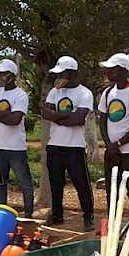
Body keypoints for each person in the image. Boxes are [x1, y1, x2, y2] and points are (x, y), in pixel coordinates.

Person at [41, 56, 95, 231]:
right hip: (55, 145)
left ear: (71, 74)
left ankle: (88, 217)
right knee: (56, 183)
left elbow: (79, 119)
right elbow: (45, 113)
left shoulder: (84, 93)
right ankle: (57, 215)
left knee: (81, 184)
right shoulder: (54, 92)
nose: (58, 77)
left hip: (75, 147)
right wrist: (65, 117)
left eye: (61, 73)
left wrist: (56, 117)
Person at [98, 52, 129, 221]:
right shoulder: (107, 94)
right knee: (111, 190)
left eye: (113, 69)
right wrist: (108, 145)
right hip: (112, 153)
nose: (109, 73)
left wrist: (118, 143)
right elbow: (102, 121)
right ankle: (113, 224)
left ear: (124, 70)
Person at [0, 59, 34, 218]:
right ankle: (2, 212)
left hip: (16, 149)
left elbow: (15, 120)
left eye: (3, 73)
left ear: (12, 75)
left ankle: (28, 213)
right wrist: (4, 113)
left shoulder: (20, 95)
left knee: (24, 183)